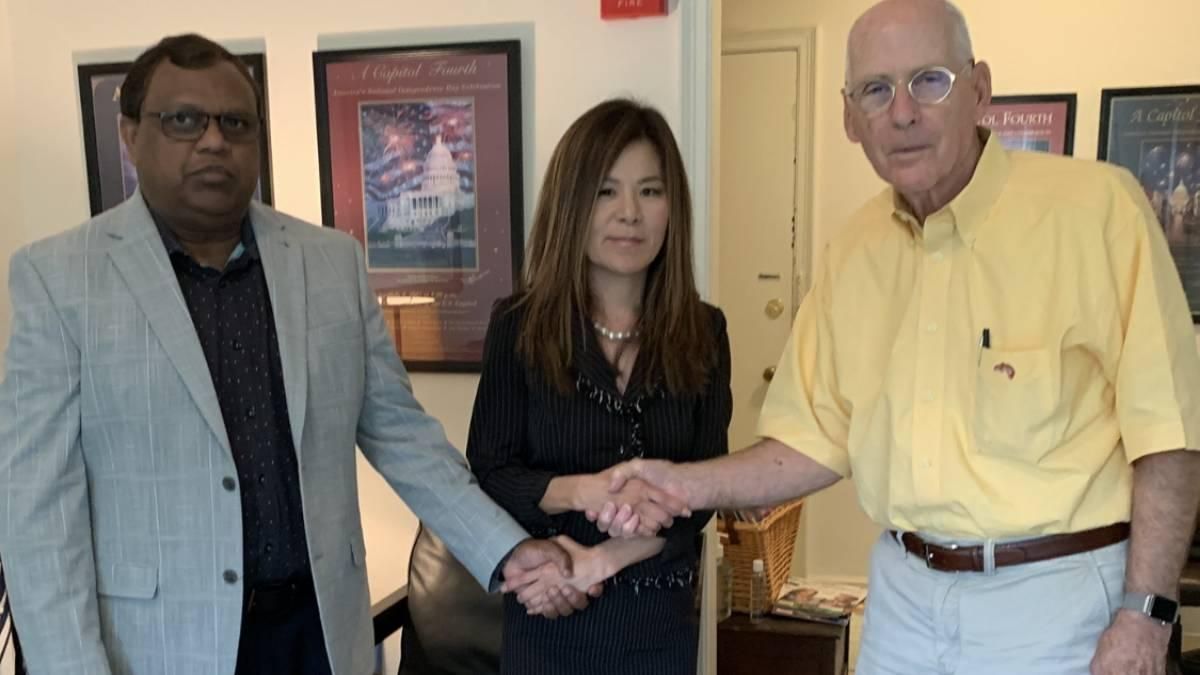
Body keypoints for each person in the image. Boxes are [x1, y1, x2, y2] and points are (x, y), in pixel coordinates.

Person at [601, 2, 1200, 674]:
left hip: (1056, 604)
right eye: (876, 91)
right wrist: (679, 484)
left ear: (979, 90)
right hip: (902, 603)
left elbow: (1169, 436)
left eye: (929, 81)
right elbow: (810, 440)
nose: (903, 113)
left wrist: (1147, 612)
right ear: (850, 119)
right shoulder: (852, 252)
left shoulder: (1098, 211)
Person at [0, 33, 585, 675]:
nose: (214, 141)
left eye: (235, 123)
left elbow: (402, 436)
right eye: (184, 120)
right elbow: (36, 511)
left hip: (318, 634)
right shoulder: (60, 279)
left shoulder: (330, 261)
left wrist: (506, 549)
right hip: (156, 648)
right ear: (130, 134)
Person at [466, 98, 731, 674]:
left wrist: (602, 560)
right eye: (606, 191)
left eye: (651, 191)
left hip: (657, 626)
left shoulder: (705, 331)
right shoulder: (519, 326)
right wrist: (587, 493)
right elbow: (491, 472)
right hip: (549, 615)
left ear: (672, 209)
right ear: (572, 205)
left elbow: (704, 496)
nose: (629, 214)